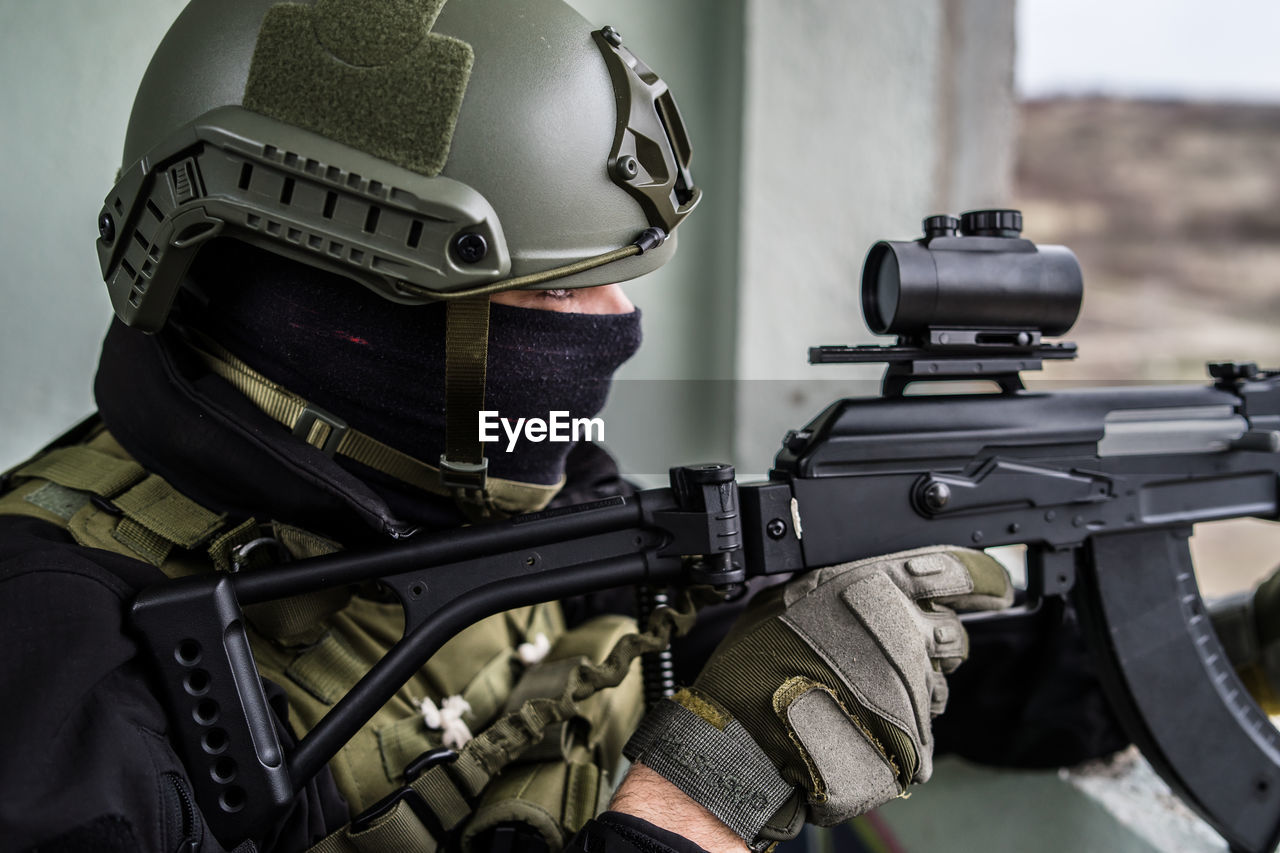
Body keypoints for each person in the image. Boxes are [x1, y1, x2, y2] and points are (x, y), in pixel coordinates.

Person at [2, 2, 1274, 853]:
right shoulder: (49, 660)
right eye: (555, 284)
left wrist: (1238, 646)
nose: (610, 321)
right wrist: (700, 798)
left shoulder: (510, 486)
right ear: (340, 297)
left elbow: (845, 680)